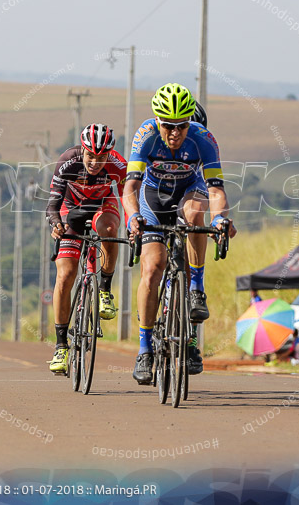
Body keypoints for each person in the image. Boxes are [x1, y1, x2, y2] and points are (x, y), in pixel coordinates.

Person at [124, 83, 237, 383]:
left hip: (187, 192)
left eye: (182, 126)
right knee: (152, 268)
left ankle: (196, 289)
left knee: (196, 214)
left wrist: (221, 221)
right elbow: (130, 188)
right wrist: (133, 216)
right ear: (158, 122)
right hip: (153, 199)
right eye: (169, 126)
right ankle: (145, 350)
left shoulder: (203, 139)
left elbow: (216, 190)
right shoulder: (146, 135)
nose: (175, 133)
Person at [46, 124, 126, 373]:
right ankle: (61, 347)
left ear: (109, 154)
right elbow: (53, 204)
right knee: (65, 275)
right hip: (71, 207)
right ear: (83, 150)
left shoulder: (119, 166)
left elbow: (128, 199)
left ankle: (104, 290)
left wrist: (136, 225)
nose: (95, 162)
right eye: (91, 156)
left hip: (103, 204)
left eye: (101, 157)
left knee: (111, 231)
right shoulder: (67, 162)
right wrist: (56, 223)